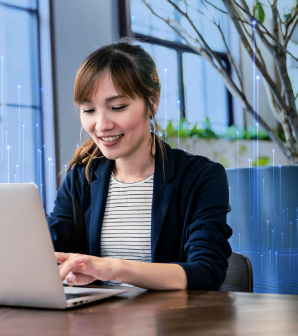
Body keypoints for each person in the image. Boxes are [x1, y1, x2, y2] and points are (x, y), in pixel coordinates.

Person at [48, 40, 232, 291]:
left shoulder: (200, 177)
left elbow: (206, 271)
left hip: (172, 325)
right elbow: (47, 251)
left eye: (118, 107)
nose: (101, 125)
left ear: (153, 102)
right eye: (89, 110)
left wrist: (112, 268)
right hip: (98, 324)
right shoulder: (82, 178)